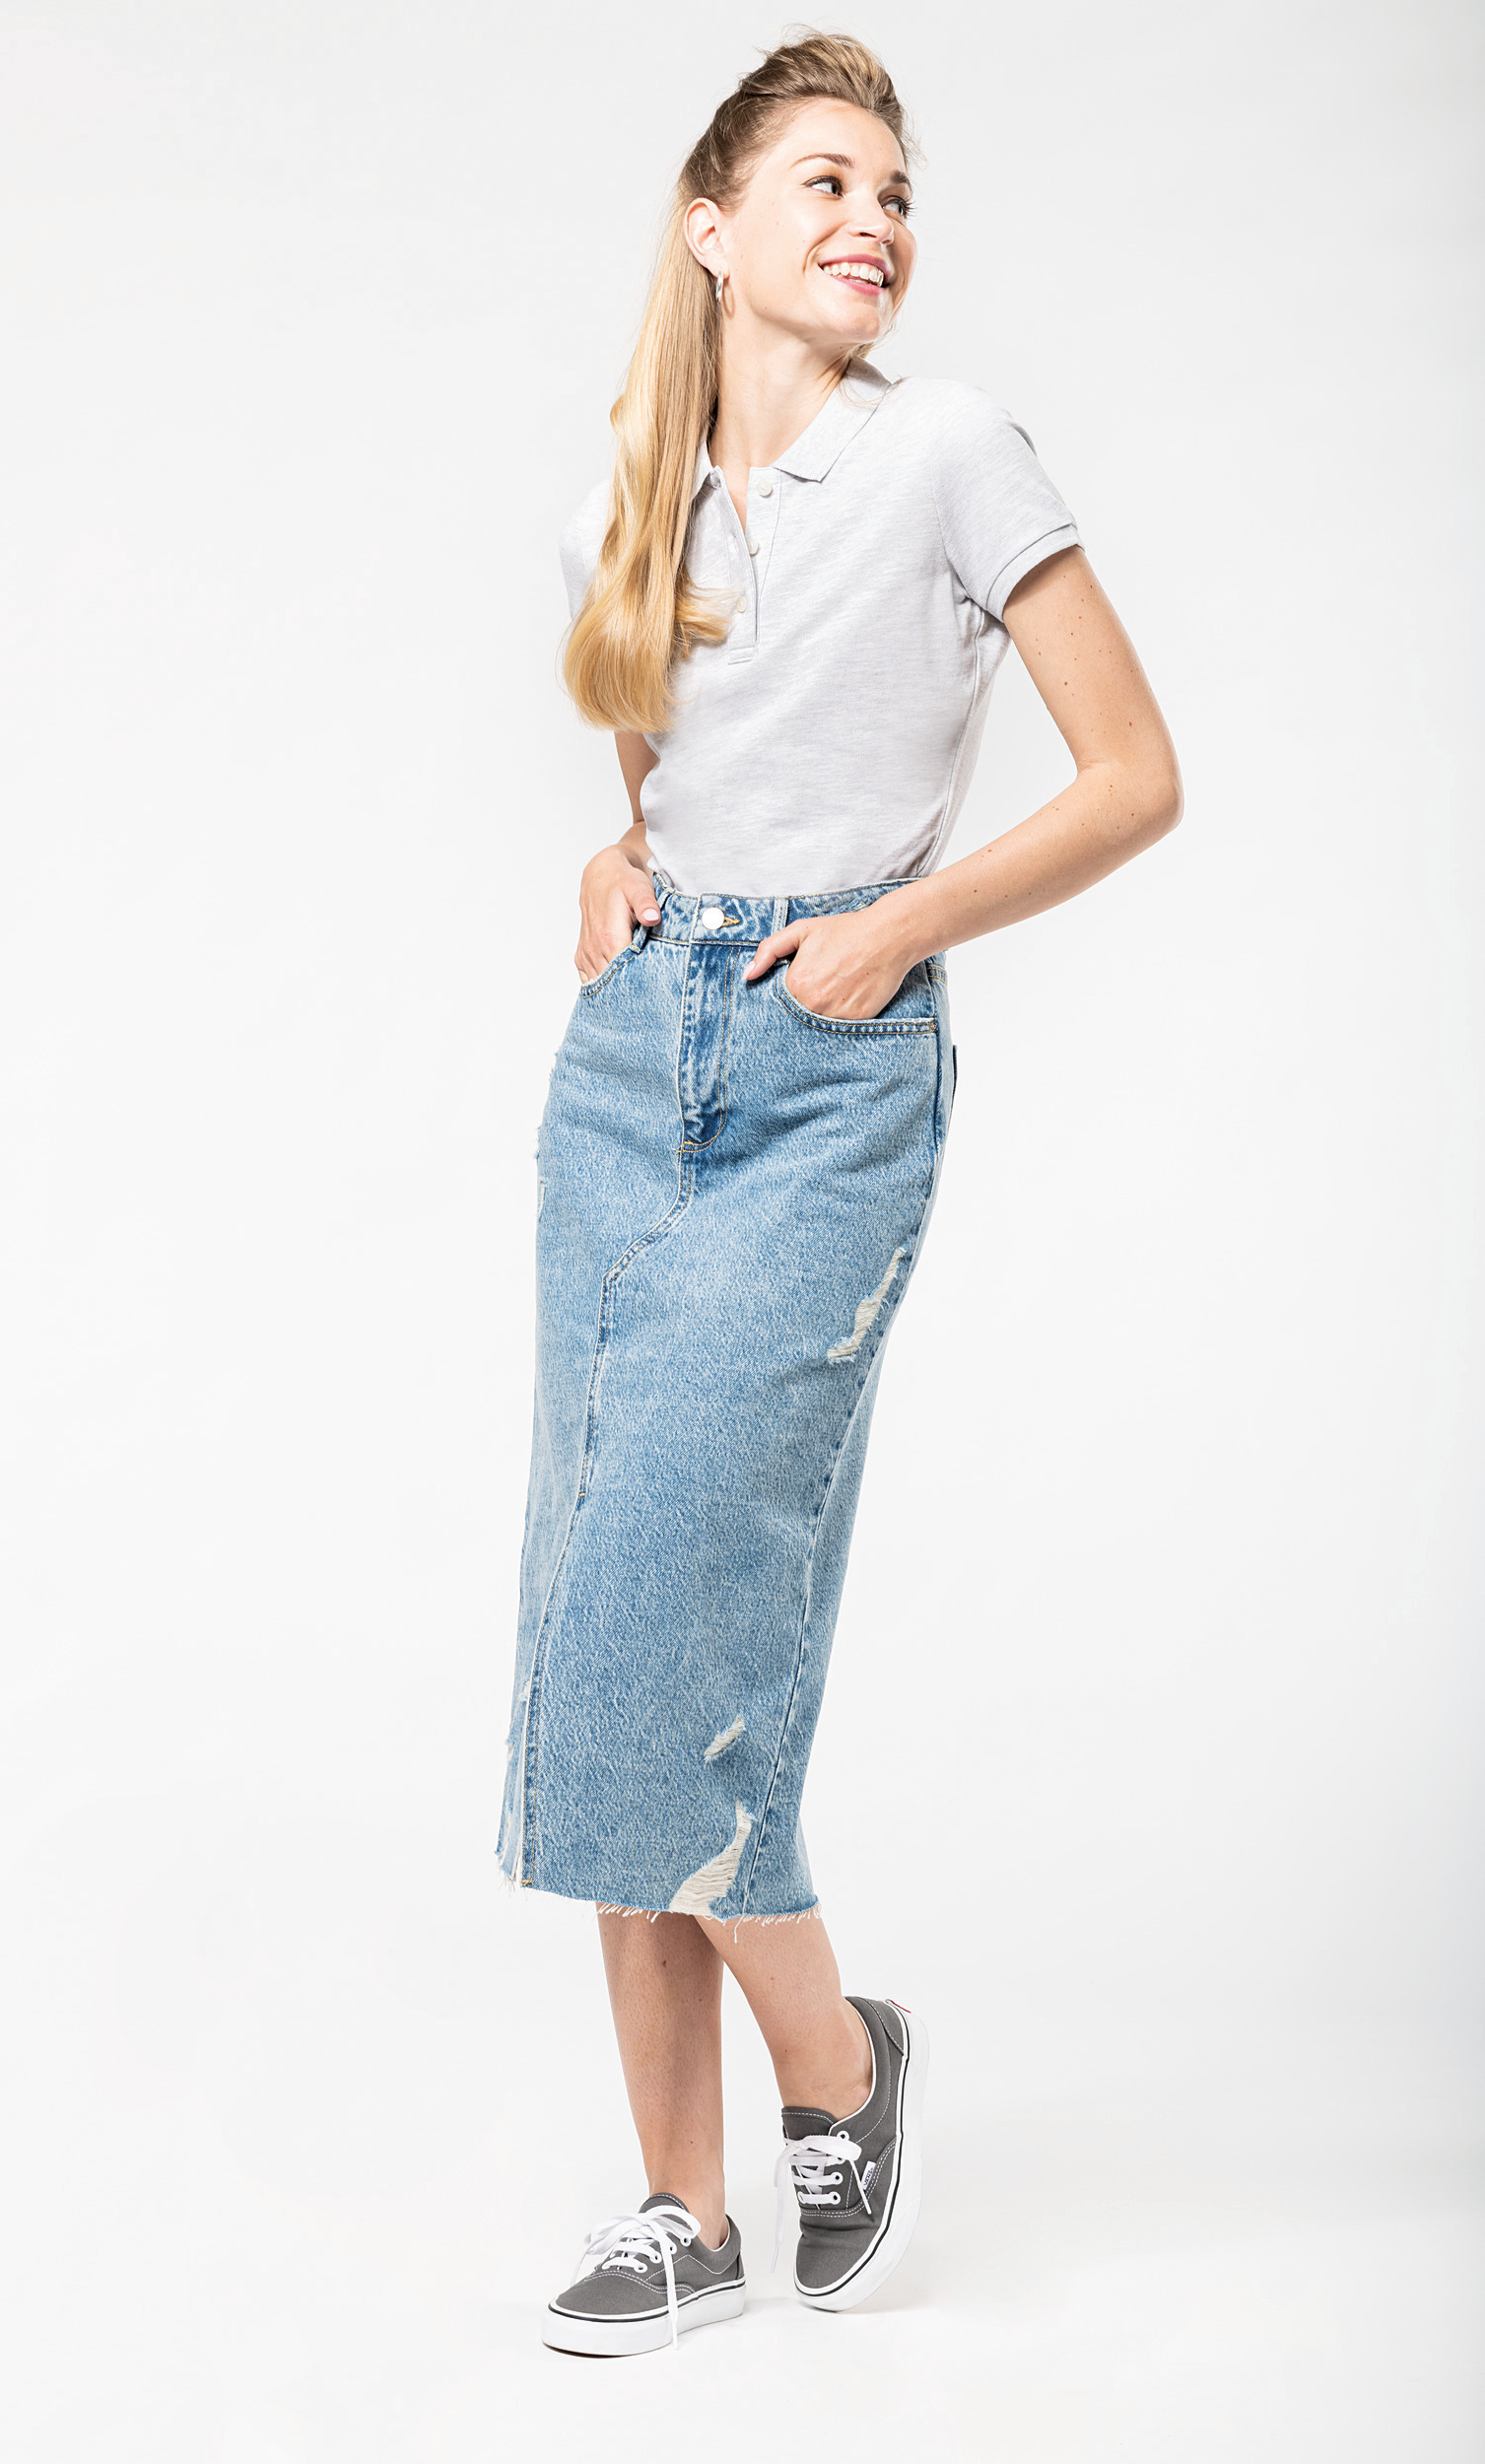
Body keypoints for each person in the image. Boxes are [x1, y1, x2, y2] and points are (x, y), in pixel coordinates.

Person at [499, 34, 1182, 2357]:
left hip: (823, 1079)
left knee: (665, 1621)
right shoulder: (655, 481)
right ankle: (678, 2207)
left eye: (891, 185)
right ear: (711, 226)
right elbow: (666, 764)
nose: (871, 216)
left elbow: (1132, 776)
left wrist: (895, 927)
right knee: (594, 1608)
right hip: (628, 1068)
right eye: (821, 177)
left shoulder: (953, 450)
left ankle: (836, 2061)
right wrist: (620, 854)